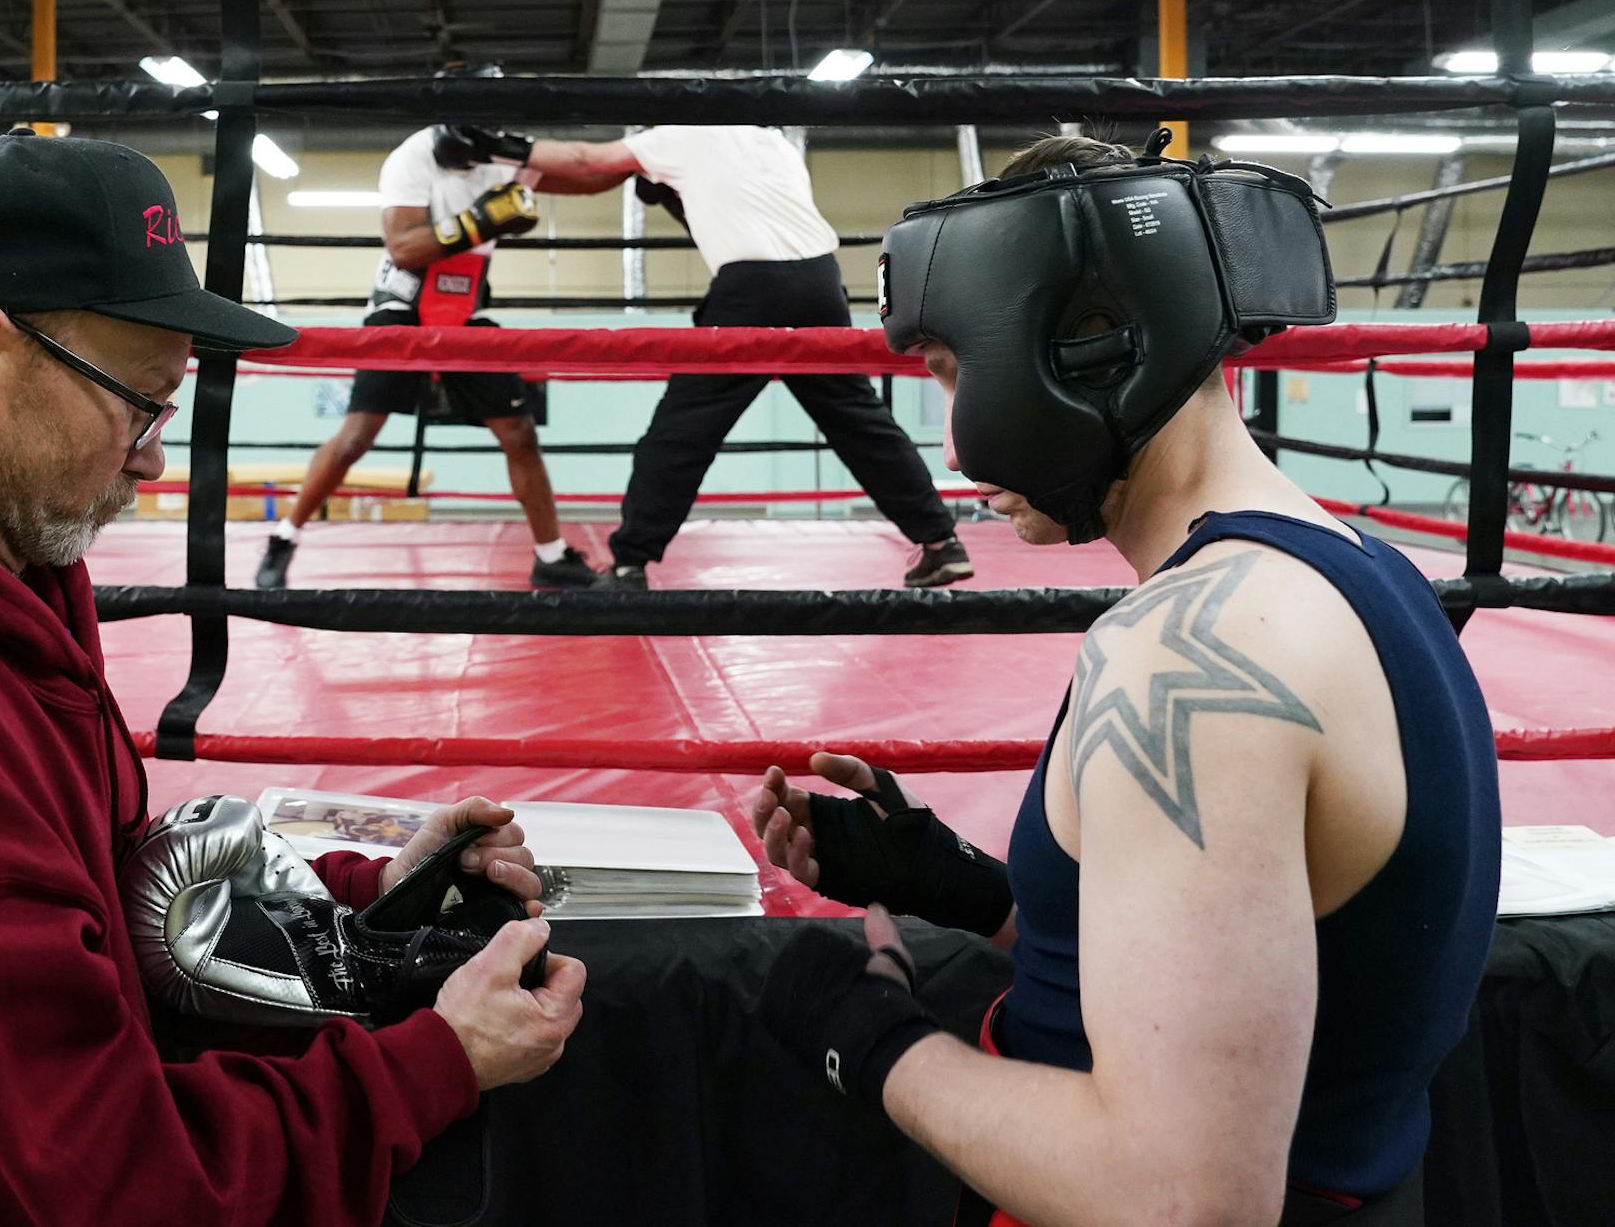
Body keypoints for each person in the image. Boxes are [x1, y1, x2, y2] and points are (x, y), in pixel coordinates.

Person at [0, 129, 584, 1227]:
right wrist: (438, 1063)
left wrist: (363, 898)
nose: (155, 457)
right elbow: (108, 1189)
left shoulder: (9, 584)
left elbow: (86, 908)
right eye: (139, 404)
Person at [751, 132, 1495, 1226]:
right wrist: (967, 889)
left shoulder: (1191, 650)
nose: (954, 446)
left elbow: (1182, 1201)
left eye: (956, 374)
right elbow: (1271, 973)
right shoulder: (1361, 572)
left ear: (1084, 355)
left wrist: (871, 1041)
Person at [437, 123, 968, 590]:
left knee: (684, 428)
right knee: (859, 420)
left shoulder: (679, 135)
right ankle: (941, 541)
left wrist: (497, 146)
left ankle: (630, 563)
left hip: (749, 288)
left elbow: (587, 163)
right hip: (821, 282)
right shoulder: (772, 143)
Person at [255, 118, 618, 591]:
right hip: (403, 301)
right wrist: (482, 220)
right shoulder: (413, 156)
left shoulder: (508, 153)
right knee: (358, 434)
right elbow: (404, 248)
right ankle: (283, 538)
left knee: (519, 432)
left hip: (466, 301)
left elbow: (587, 177)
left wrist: (642, 159)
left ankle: (551, 556)